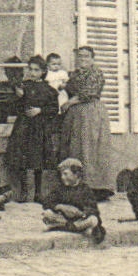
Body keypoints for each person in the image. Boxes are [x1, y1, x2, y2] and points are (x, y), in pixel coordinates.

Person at [3, 55, 60, 203]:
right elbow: (15, 107)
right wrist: (19, 97)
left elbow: (54, 109)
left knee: (38, 160)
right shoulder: (24, 87)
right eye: (31, 69)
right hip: (24, 126)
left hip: (39, 128)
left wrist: (40, 110)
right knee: (22, 159)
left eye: (36, 70)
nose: (33, 73)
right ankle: (23, 191)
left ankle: (38, 192)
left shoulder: (49, 90)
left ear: (43, 71)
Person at [58, 45, 113, 192]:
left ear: (92, 59)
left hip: (91, 113)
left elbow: (88, 93)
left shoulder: (96, 73)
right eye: (80, 56)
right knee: (76, 148)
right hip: (75, 116)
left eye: (86, 56)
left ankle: (95, 187)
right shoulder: (75, 74)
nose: (82, 59)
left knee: (90, 148)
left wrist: (69, 102)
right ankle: (75, 184)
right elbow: (68, 89)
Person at [40, 157, 106, 245]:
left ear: (76, 174)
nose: (63, 177)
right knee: (47, 213)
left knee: (93, 220)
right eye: (61, 175)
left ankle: (70, 226)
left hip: (79, 220)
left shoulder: (85, 189)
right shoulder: (60, 188)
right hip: (64, 219)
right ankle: (71, 227)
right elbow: (46, 202)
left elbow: (93, 209)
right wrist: (61, 207)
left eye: (66, 174)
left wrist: (80, 213)